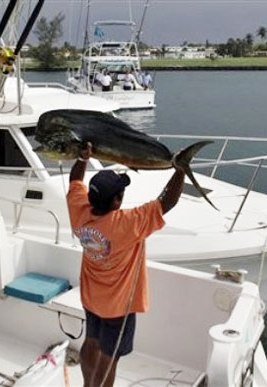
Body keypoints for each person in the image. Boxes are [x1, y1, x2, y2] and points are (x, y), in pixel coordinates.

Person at [67, 142, 185, 387]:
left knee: (91, 343)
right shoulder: (126, 224)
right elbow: (167, 202)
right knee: (109, 358)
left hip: (91, 298)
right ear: (116, 202)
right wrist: (180, 170)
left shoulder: (78, 209)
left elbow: (74, 181)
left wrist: (82, 159)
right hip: (117, 306)